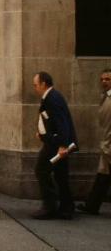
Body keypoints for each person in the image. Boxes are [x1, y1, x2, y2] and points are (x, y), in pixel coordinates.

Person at [31, 71, 78, 220]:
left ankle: (49, 207)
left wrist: (63, 146)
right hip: (55, 142)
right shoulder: (51, 97)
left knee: (41, 170)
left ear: (43, 84)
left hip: (56, 145)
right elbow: (52, 121)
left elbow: (62, 123)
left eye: (36, 85)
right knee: (60, 175)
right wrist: (42, 134)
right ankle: (67, 207)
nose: (35, 88)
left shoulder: (52, 98)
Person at [78, 68, 111, 215]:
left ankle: (92, 205)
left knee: (103, 175)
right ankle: (92, 205)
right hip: (106, 144)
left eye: (107, 79)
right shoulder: (105, 96)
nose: (104, 81)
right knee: (103, 176)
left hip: (109, 145)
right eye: (102, 79)